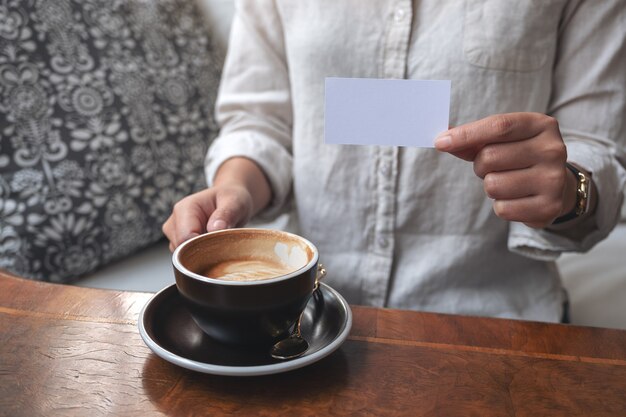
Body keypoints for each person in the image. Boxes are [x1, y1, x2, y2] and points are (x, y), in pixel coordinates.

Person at [163, 0, 626, 322]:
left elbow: (596, 150)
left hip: (495, 317)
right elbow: (261, 119)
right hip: (303, 316)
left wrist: (568, 190)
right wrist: (236, 188)